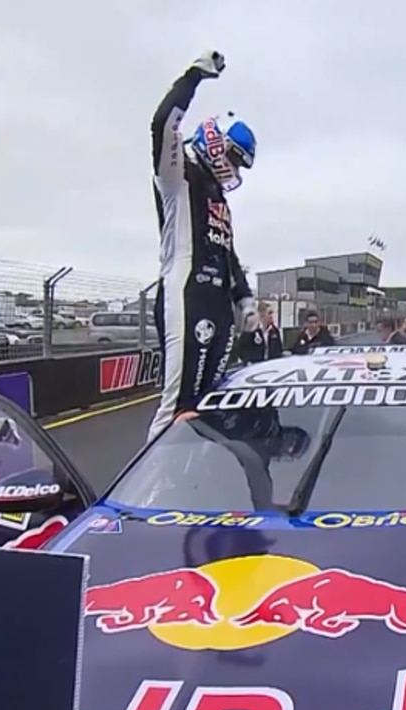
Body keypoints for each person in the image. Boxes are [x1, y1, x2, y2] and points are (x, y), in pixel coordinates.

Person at [147, 50, 260, 442]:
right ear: (215, 140)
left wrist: (244, 297)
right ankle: (145, 494)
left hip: (218, 304)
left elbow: (226, 250)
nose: (235, 168)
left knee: (208, 405)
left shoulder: (220, 198)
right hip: (185, 294)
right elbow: (162, 125)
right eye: (234, 157)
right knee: (177, 406)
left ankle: (198, 488)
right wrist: (195, 75)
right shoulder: (179, 175)